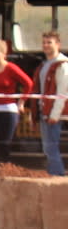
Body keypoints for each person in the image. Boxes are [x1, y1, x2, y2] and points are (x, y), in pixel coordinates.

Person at [0, 37, 32, 172]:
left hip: (7, 110)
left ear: (4, 54)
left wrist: (21, 102)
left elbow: (28, 84)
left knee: (4, 144)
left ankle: (4, 171)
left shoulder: (11, 68)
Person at [39, 29, 68, 176]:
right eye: (44, 43)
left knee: (51, 146)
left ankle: (58, 176)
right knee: (47, 147)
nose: (46, 45)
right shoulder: (46, 64)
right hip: (45, 110)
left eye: (49, 42)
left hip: (55, 112)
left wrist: (55, 114)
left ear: (58, 44)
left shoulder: (62, 65)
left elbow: (63, 91)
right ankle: (52, 174)